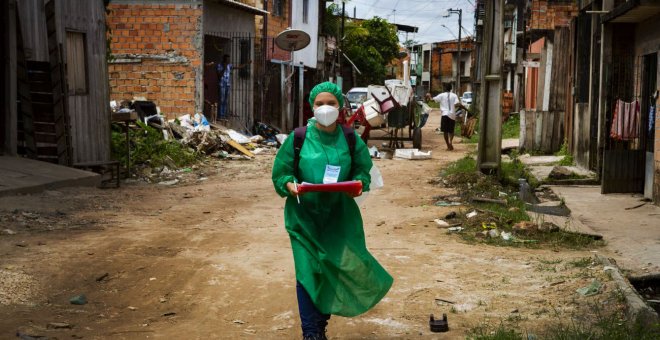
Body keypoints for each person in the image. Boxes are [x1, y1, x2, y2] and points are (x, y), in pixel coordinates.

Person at [271, 82, 393, 340]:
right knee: (307, 272)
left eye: (331, 103)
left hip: (339, 218)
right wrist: (289, 185)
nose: (325, 108)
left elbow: (363, 170)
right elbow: (281, 173)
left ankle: (320, 323)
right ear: (312, 107)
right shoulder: (298, 138)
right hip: (304, 216)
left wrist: (359, 185)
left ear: (340, 106)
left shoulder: (350, 138)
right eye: (319, 104)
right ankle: (312, 333)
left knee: (332, 269)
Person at [211, 54, 250, 120]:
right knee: (221, 100)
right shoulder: (219, 65)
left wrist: (246, 63)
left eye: (229, 59)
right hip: (222, 85)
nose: (229, 60)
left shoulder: (229, 65)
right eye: (227, 59)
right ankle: (220, 115)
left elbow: (238, 67)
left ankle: (223, 115)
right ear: (224, 59)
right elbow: (219, 76)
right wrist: (224, 68)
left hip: (227, 85)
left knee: (225, 100)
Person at [433, 83, 460, 150]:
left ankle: (448, 144)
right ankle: (451, 141)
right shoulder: (454, 95)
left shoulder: (441, 95)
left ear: (445, 89)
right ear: (451, 89)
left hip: (444, 114)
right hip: (452, 115)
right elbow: (457, 104)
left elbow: (434, 99)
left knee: (445, 131)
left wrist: (429, 97)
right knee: (451, 130)